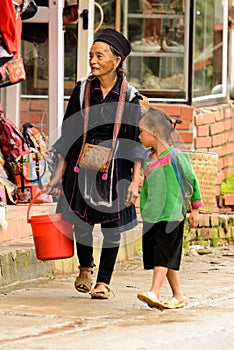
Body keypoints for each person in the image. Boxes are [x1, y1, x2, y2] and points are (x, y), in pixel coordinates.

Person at [46, 29, 145, 299]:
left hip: (117, 167)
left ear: (116, 60)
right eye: (91, 55)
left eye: (99, 55)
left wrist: (136, 180)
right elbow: (68, 134)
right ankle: (86, 268)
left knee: (112, 226)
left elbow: (136, 140)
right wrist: (58, 173)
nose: (93, 60)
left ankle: (104, 281)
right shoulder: (82, 90)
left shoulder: (130, 96)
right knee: (81, 222)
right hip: (81, 163)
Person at [137, 107, 203, 311]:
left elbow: (192, 181)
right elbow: (147, 188)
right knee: (165, 255)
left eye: (141, 131)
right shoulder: (148, 159)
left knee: (162, 254)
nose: (139, 136)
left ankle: (154, 292)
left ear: (155, 132)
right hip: (153, 215)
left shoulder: (176, 156)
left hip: (172, 214)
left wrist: (195, 209)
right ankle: (178, 295)